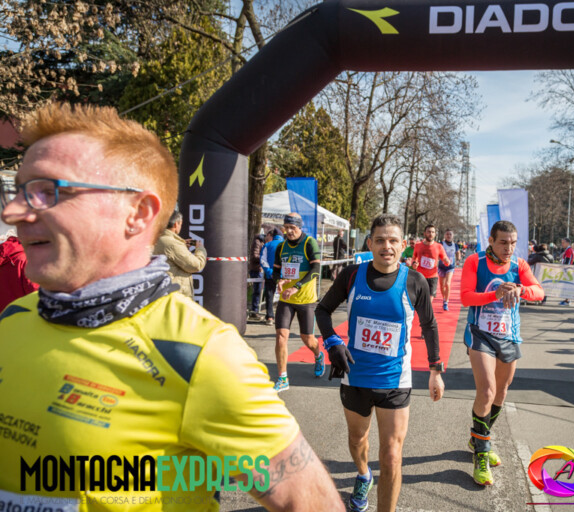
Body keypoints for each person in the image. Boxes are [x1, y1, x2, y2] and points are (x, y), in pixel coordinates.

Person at [0, 103, 343, 511]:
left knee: (299, 336)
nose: (13, 212)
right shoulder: (12, 318)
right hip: (281, 295)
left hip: (299, 299)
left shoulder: (199, 353)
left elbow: (313, 503)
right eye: (18, 191)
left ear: (138, 213)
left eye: (47, 191)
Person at [315, 214, 445, 512]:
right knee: (357, 439)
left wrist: (435, 371)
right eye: (381, 240)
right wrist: (332, 341)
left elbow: (429, 326)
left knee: (392, 456)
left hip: (395, 381)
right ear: (370, 243)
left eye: (393, 240)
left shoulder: (415, 281)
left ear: (403, 245)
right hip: (355, 376)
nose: (387, 246)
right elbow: (322, 310)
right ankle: (363, 474)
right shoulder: (351, 275)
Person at [461, 220, 544, 486]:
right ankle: (482, 454)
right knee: (487, 391)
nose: (509, 248)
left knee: (501, 392)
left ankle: (478, 438)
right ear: (491, 240)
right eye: (503, 242)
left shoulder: (519, 265)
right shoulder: (475, 261)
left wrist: (521, 289)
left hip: (508, 335)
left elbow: (539, 292)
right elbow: (465, 297)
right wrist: (495, 294)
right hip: (480, 333)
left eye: (513, 243)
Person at [271, 212, 325, 391]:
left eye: (292, 228)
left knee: (307, 338)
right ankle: (283, 378)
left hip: (306, 299)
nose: (289, 231)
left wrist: (297, 286)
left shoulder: (309, 243)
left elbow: (316, 269)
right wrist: (279, 280)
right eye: (286, 228)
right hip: (286, 299)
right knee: (281, 336)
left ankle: (318, 355)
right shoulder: (281, 246)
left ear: (300, 227)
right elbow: (275, 271)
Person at [153, 209, 207, 298]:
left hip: (163, 291)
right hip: (176, 295)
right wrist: (200, 248)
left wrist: (183, 248)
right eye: (180, 224)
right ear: (176, 224)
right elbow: (196, 265)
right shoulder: (173, 244)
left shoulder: (157, 239)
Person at [0, 229, 39, 311]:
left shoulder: (5, 257)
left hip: (5, 316)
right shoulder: (27, 260)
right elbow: (36, 295)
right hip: (24, 315)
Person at [412, 225, 451, 299]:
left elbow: (444, 258)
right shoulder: (418, 245)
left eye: (433, 232)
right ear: (424, 233)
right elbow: (414, 258)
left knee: (429, 300)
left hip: (433, 277)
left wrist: (446, 261)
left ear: (435, 234)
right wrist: (414, 263)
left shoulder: (439, 246)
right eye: (429, 232)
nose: (431, 234)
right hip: (420, 276)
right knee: (420, 299)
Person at [261, 227, 283, 326]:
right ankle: (283, 317)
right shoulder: (287, 245)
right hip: (284, 276)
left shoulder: (267, 245)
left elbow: (263, 260)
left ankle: (270, 317)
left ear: (273, 236)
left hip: (270, 275)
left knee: (269, 296)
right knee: (284, 296)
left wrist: (269, 271)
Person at [438, 228, 458, 311]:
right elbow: (437, 253)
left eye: (450, 234)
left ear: (452, 236)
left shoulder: (455, 245)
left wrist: (458, 259)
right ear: (444, 235)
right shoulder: (441, 244)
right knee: (442, 286)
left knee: (447, 283)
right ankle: (444, 298)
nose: (449, 236)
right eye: (447, 234)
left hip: (450, 267)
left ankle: (446, 302)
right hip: (441, 267)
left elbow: (457, 253)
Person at [249, 233, 265, 317]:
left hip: (259, 269)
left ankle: (255, 310)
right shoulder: (257, 242)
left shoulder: (261, 242)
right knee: (257, 291)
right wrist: (264, 258)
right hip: (256, 269)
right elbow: (254, 256)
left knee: (259, 291)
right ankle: (254, 311)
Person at [559, 237, 574, 306]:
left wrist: (564, 269)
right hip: (567, 269)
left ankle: (567, 300)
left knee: (567, 286)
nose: (562, 244)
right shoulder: (568, 249)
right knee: (566, 285)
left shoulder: (569, 250)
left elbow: (567, 260)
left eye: (563, 243)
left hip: (567, 270)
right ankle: (567, 299)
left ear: (567, 243)